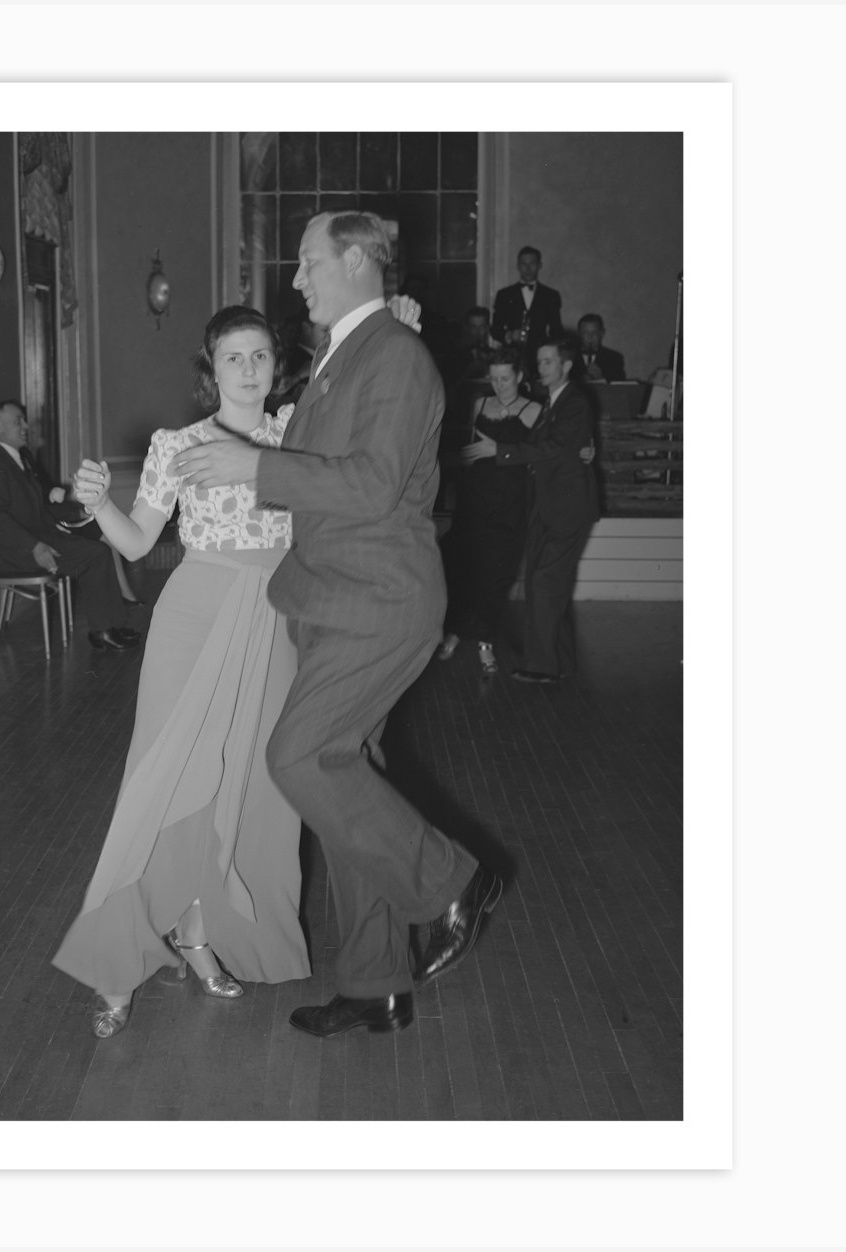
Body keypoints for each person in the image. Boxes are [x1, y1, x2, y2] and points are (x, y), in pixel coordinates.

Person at [172, 212, 502, 1040]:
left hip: (376, 601)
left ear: (357, 259)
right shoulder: (346, 356)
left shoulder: (392, 354)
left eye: (309, 260)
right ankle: (374, 981)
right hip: (327, 597)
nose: (296, 277)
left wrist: (255, 466)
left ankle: (453, 882)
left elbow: (369, 485)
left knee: (303, 756)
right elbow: (312, 469)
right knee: (349, 783)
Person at [52, 297, 421, 1039]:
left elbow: (374, 430)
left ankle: (198, 933)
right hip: (195, 614)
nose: (248, 369)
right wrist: (99, 506)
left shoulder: (297, 434)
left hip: (281, 617)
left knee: (258, 789)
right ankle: (117, 960)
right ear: (209, 369)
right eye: (233, 358)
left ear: (278, 365)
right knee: (160, 782)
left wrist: (400, 336)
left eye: (260, 356)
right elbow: (135, 543)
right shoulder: (175, 444)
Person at [463, 339, 599, 683]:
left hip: (565, 508)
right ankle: (563, 663)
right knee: (549, 586)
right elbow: (556, 445)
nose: (542, 368)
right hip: (546, 505)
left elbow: (553, 447)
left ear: (566, 366)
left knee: (543, 584)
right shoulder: (555, 402)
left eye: (548, 362)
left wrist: (500, 450)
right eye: (539, 362)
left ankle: (542, 667)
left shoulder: (573, 402)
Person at [0, 401, 141, 652]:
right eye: (18, 420)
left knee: (97, 544)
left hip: (39, 538)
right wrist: (34, 546)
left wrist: (83, 510)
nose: (26, 426)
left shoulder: (21, 459)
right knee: (96, 554)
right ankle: (103, 630)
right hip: (19, 551)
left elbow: (40, 507)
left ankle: (111, 625)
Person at [437, 349, 537, 678]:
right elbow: (467, 448)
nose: (498, 385)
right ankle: (454, 631)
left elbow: (540, 458)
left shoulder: (535, 410)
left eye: (505, 378)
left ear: (521, 376)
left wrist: (500, 452)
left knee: (497, 577)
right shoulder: (479, 404)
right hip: (474, 502)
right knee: (464, 570)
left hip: (510, 507)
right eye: (493, 378)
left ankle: (485, 642)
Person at [490, 246, 564, 375]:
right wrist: (509, 336)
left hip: (539, 358)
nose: (528, 268)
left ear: (540, 265)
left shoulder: (551, 295)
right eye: (524, 264)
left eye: (532, 263)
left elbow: (556, 330)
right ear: (518, 266)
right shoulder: (504, 295)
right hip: (512, 358)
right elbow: (495, 329)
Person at [573, 313, 626, 382]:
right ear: (579, 334)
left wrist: (601, 378)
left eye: (594, 332)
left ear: (601, 333)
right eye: (585, 333)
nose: (590, 337)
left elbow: (621, 387)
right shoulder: (568, 357)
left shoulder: (615, 358)